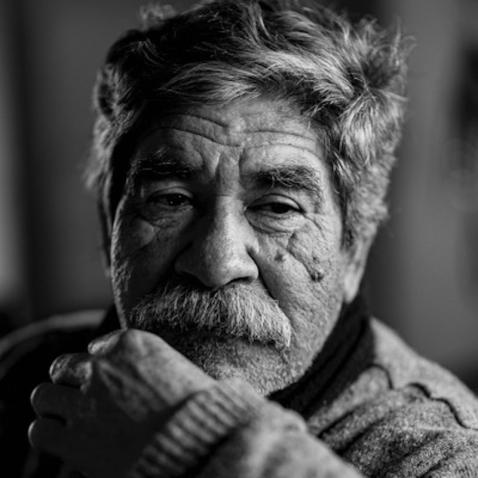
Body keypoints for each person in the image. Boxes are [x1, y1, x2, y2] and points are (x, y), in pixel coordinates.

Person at [1, 0, 478, 476]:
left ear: (354, 251)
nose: (218, 262)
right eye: (171, 200)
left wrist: (186, 437)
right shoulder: (22, 374)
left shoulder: (440, 453)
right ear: (110, 229)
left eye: (277, 208)